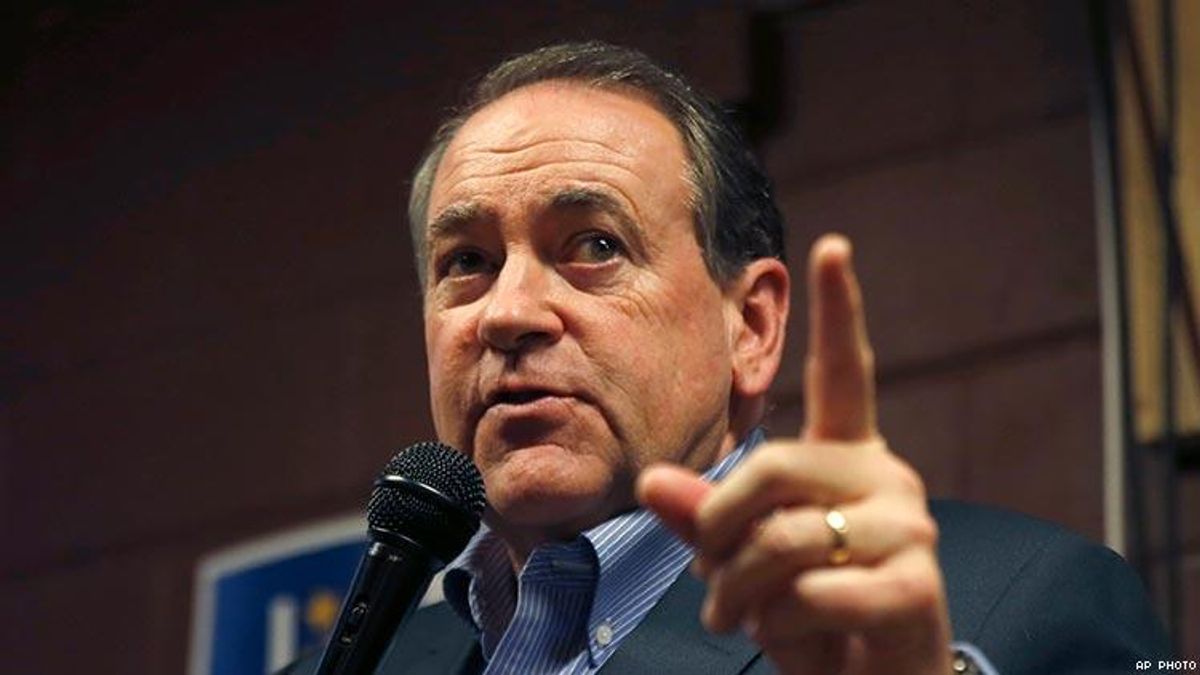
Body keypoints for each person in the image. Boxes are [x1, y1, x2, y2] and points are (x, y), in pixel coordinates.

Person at [283, 41, 1169, 674]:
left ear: (750, 324)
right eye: (467, 262)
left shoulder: (1022, 605)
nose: (508, 312)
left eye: (594, 245)